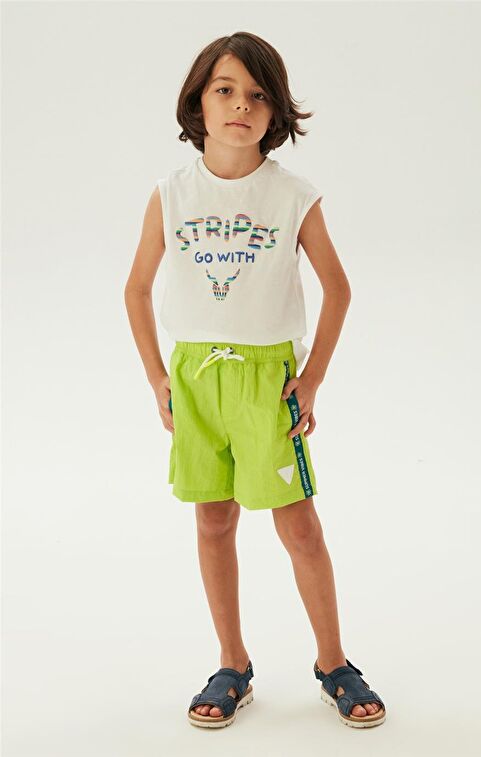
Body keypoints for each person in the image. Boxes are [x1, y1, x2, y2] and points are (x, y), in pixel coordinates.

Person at [124, 31, 386, 730]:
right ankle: (232, 663)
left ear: (276, 112)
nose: (241, 105)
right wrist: (157, 377)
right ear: (198, 103)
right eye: (226, 90)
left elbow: (337, 288)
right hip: (195, 379)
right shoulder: (170, 194)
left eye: (258, 95)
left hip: (266, 381)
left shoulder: (292, 195)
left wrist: (311, 379)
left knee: (297, 523)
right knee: (213, 519)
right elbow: (136, 289)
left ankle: (333, 661)